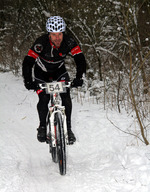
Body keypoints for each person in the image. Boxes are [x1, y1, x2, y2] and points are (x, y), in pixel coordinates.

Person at [22, 16, 86, 144]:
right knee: (44, 98)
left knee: (66, 97)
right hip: (41, 73)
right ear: (49, 34)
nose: (57, 38)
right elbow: (28, 62)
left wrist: (79, 78)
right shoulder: (41, 43)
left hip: (59, 71)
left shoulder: (69, 42)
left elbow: (80, 60)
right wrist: (28, 81)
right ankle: (42, 126)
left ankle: (68, 129)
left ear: (63, 33)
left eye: (60, 34)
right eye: (54, 35)